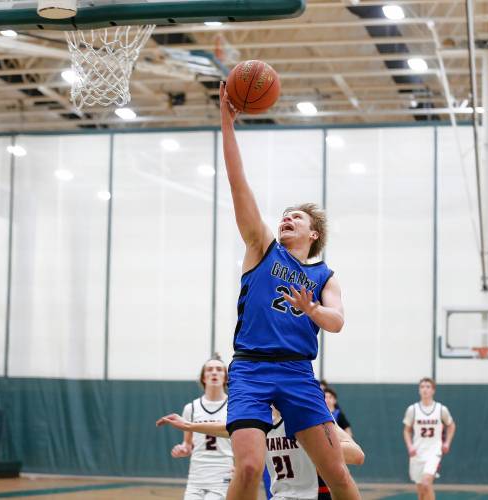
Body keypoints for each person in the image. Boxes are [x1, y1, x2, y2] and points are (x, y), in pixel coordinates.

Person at [218, 82, 360, 500]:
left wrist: (313, 309)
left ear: (313, 232)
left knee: (337, 473)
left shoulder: (324, 277)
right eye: (284, 216)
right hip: (250, 368)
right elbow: (238, 183)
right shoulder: (262, 248)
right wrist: (227, 123)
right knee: (246, 467)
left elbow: (336, 323)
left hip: (299, 373)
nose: (286, 220)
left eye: (295, 217)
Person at [157, 406, 364, 499]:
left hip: (316, 495)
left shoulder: (313, 421)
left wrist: (316, 447)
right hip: (282, 495)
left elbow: (357, 455)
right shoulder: (261, 425)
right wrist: (189, 426)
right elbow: (226, 427)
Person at [168, 357, 232, 500]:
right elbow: (188, 444)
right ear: (203, 377)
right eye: (210, 370)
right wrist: (183, 449)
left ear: (226, 377)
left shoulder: (233, 406)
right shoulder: (190, 408)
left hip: (223, 473)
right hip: (196, 476)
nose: (214, 373)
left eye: (219, 369)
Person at [403, 378, 456, 500]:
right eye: (422, 387)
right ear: (419, 390)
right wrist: (410, 446)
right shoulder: (413, 409)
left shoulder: (441, 409)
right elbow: (406, 430)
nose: (424, 389)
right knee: (421, 492)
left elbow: (451, 425)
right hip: (417, 453)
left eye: (427, 386)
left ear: (433, 390)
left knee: (427, 483)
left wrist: (447, 442)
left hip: (434, 452)